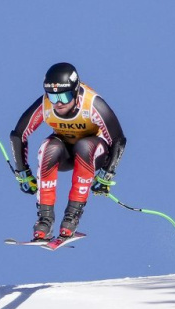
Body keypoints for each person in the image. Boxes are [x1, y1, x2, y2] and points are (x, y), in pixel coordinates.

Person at [7, 62, 125, 244]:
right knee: (49, 147)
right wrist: (23, 172)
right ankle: (45, 220)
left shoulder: (91, 103)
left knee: (84, 146)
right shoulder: (46, 104)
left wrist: (107, 173)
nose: (59, 103)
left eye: (64, 96)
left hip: (95, 153)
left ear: (76, 91)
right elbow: (18, 135)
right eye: (53, 97)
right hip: (66, 154)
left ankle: (71, 217)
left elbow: (118, 140)